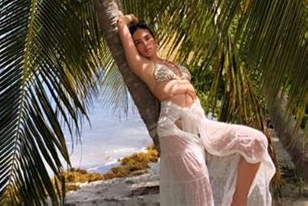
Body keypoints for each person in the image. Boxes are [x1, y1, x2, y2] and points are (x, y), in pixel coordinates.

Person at [116, 14, 276, 206]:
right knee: (198, 182)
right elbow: (122, 31)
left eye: (147, 38)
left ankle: (238, 201)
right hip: (175, 128)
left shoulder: (170, 63)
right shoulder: (144, 66)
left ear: (155, 39)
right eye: (138, 43)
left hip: (200, 123)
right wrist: (126, 21)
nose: (144, 44)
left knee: (255, 141)